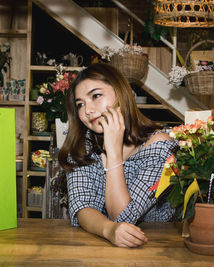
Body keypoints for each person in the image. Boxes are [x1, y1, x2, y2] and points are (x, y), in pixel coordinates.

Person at [58, 63, 177, 248]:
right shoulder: (82, 146)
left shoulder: (160, 146)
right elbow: (82, 207)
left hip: (156, 249)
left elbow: (123, 216)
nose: (87, 110)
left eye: (96, 96)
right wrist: (108, 230)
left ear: (121, 94)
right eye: (80, 104)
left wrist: (113, 151)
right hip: (96, 248)